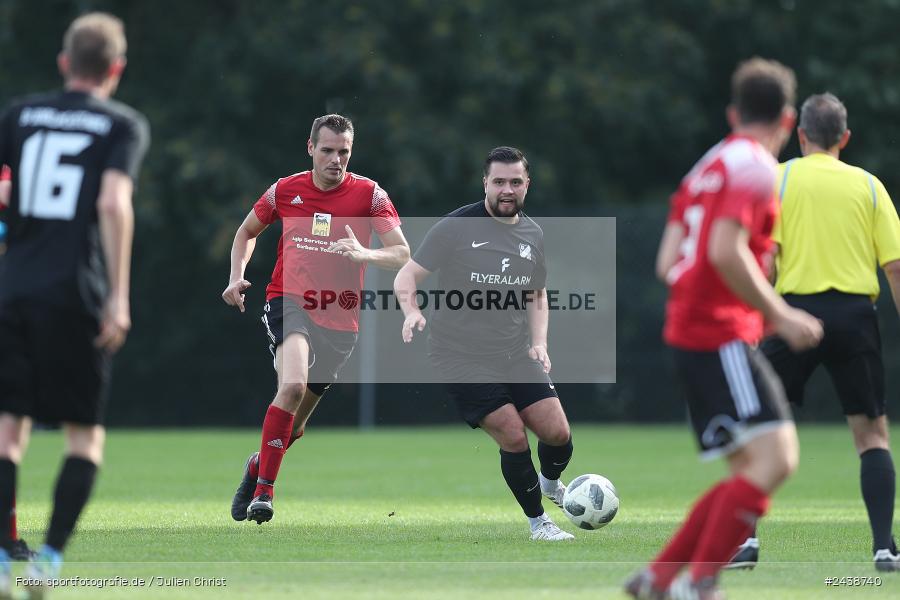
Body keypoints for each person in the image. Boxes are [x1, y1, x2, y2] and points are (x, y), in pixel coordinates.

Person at [624, 58, 823, 599]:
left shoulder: (707, 165)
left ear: (734, 113)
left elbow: (670, 264)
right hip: (720, 334)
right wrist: (780, 314)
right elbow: (723, 250)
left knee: (750, 468)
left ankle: (660, 578)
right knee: (778, 460)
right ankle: (700, 583)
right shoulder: (757, 169)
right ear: (787, 119)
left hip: (694, 332)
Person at [0, 12, 149, 597]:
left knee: (8, 433)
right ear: (116, 69)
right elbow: (113, 204)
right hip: (74, 293)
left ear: (65, 64)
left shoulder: (18, 114)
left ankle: (3, 566)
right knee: (83, 437)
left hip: (12, 288)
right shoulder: (122, 125)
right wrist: (119, 295)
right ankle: (49, 560)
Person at [727, 93, 900, 572]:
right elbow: (896, 268)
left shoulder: (777, 179)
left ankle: (745, 542)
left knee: (751, 427)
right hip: (854, 317)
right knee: (872, 438)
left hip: (792, 315)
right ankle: (884, 546)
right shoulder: (869, 187)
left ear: (800, 135)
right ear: (845, 137)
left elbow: (757, 258)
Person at [223, 113, 409, 525]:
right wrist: (237, 276)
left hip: (340, 319)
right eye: (327, 150)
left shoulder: (369, 195)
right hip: (288, 302)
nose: (335, 160)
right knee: (291, 385)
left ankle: (258, 465)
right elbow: (245, 233)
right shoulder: (285, 190)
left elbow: (401, 252)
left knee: (296, 427)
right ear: (310, 148)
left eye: (343, 152)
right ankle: (265, 494)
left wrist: (366, 254)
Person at [394, 146, 576, 542]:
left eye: (515, 182)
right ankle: (538, 523)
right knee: (513, 434)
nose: (506, 189)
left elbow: (537, 294)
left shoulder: (533, 233)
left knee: (558, 434)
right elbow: (406, 277)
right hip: (459, 357)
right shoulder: (456, 227)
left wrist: (540, 343)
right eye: (499, 182)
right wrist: (412, 312)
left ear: (527, 184)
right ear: (485, 184)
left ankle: (549, 484)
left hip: (514, 352)